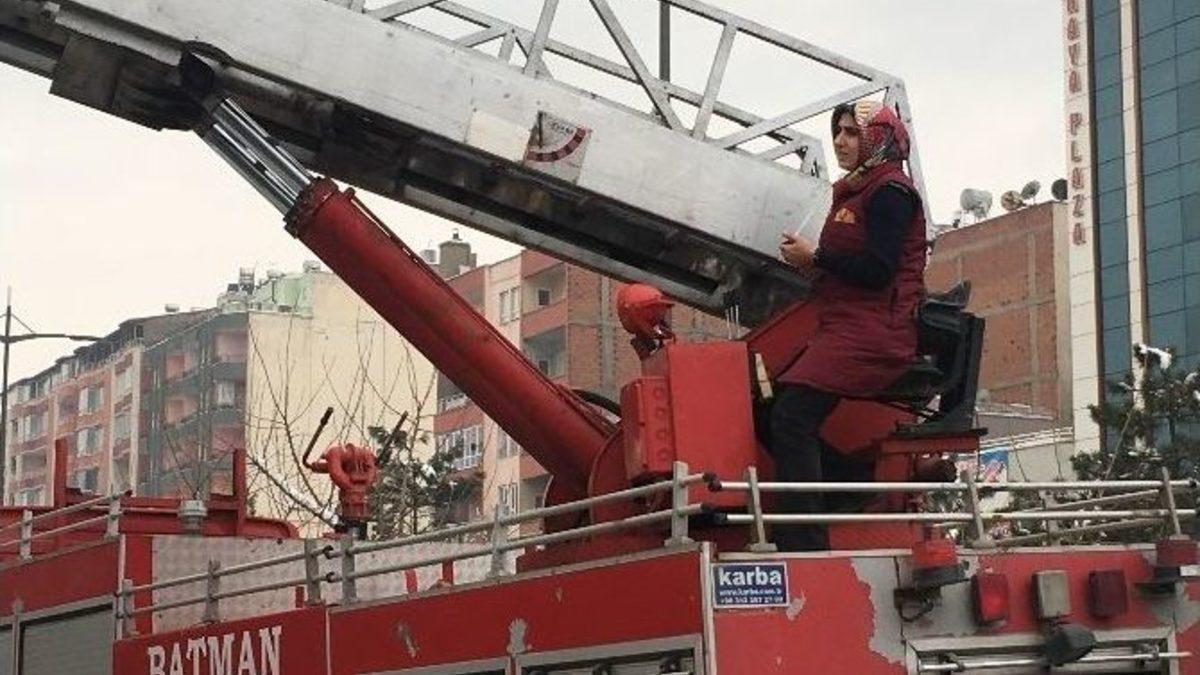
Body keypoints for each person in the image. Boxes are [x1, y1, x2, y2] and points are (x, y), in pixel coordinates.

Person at [771, 100, 928, 551]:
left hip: (874, 331)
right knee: (772, 408)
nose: (840, 141)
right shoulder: (860, 189)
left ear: (878, 139)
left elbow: (878, 270)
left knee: (791, 415)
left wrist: (816, 256)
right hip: (845, 325)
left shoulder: (890, 193)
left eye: (851, 132)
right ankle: (850, 483)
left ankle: (806, 542)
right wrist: (812, 264)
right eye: (837, 132)